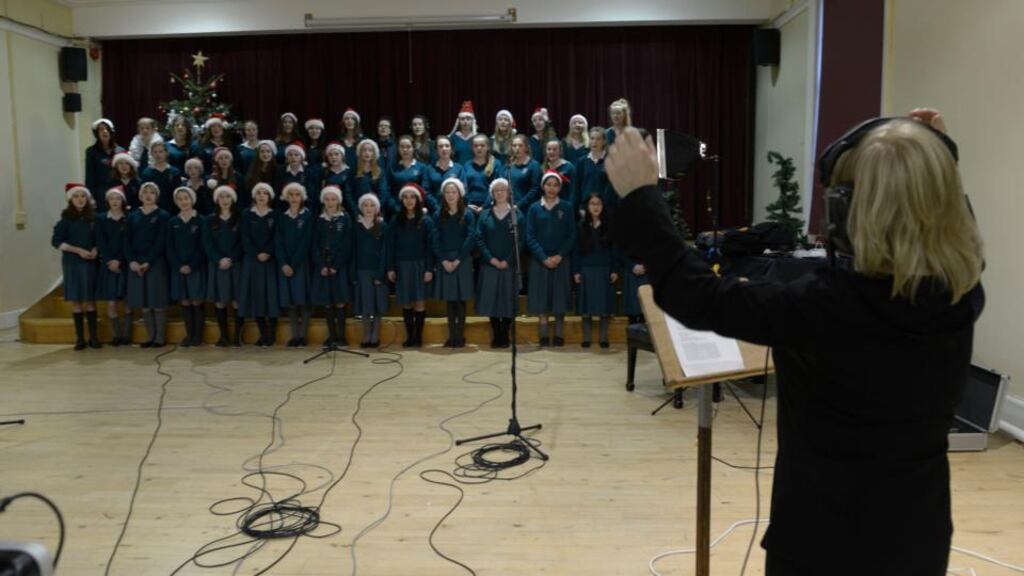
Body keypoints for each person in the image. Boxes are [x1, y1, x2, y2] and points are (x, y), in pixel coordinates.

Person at [606, 111, 985, 576]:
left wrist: (643, 196)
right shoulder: (962, 293)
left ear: (847, 212)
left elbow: (699, 294)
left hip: (820, 542)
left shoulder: (826, 307)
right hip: (917, 534)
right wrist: (936, 166)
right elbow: (957, 233)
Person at [526, 170, 576, 346]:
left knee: (559, 296)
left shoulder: (566, 207)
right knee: (541, 298)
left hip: (560, 260)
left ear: (559, 187)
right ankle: (544, 335)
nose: (552, 188)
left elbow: (571, 235)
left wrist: (560, 255)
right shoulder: (534, 208)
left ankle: (560, 334)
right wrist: (543, 257)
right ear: (543, 186)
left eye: (555, 185)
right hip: (540, 261)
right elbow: (529, 236)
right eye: (549, 184)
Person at [475, 178, 524, 348]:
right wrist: (492, 259)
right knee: (492, 301)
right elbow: (479, 239)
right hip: (490, 265)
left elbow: (521, 242)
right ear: (492, 194)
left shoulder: (517, 215)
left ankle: (505, 335)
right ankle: (497, 335)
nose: (500, 192)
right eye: (497, 190)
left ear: (509, 192)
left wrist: (508, 260)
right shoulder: (485, 214)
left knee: (508, 301)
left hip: (509, 266)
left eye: (503, 189)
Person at [52, 184, 101, 350]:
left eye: (82, 196)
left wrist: (96, 249)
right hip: (72, 264)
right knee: (77, 302)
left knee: (90, 301)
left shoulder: (94, 218)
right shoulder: (65, 220)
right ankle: (80, 338)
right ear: (71, 200)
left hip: (90, 263)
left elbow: (100, 238)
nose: (80, 199)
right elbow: (56, 242)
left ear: (87, 199)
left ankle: (94, 337)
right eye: (76, 196)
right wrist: (78, 250)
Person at [387, 184, 435, 348]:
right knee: (406, 302)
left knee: (419, 302)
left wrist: (429, 268)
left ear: (418, 199)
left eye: (412, 197)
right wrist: (391, 267)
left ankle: (418, 337)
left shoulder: (426, 220)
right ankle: (410, 337)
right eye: (405, 197)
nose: (409, 200)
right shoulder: (395, 220)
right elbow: (391, 245)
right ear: (402, 200)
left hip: (420, 265)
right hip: (402, 265)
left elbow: (430, 246)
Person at [124, 181, 170, 348]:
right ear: (140, 195)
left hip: (155, 263)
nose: (148, 195)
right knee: (144, 302)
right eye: (145, 192)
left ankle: (159, 338)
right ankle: (150, 337)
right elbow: (126, 241)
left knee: (157, 301)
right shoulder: (133, 216)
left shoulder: (163, 215)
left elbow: (161, 241)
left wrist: (148, 261)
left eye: (152, 192)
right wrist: (133, 261)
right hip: (136, 264)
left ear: (156, 196)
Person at [432, 178, 476, 348]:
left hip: (462, 259)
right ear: (443, 195)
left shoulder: (468, 214)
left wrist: (458, 259)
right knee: (450, 300)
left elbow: (470, 237)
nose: (450, 195)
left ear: (460, 194)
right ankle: (451, 336)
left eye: (454, 192)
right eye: (447, 192)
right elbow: (435, 239)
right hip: (445, 260)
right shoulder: (438, 214)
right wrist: (443, 259)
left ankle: (460, 336)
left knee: (461, 299)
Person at [311, 186, 353, 346]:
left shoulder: (345, 218)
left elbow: (347, 244)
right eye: (327, 199)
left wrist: (336, 265)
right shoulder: (319, 219)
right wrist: (321, 264)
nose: (330, 202)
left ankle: (341, 336)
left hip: (339, 267)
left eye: (333, 199)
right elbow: (314, 244)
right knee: (327, 301)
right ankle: (332, 335)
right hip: (323, 267)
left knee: (340, 300)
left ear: (338, 201)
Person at [240, 182, 280, 346]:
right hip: (253, 260)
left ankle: (271, 335)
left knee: (271, 297)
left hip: (270, 261)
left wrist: (267, 252)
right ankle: (263, 333)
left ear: (269, 196)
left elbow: (277, 236)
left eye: (265, 193)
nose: (262, 196)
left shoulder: (275, 214)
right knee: (257, 298)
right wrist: (256, 253)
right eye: (259, 193)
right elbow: (245, 237)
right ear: (254, 196)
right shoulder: (247, 214)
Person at [203, 185, 244, 346]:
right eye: (222, 197)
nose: (225, 200)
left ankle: (237, 337)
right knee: (220, 300)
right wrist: (218, 259)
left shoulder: (240, 218)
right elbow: (207, 243)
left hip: (235, 264)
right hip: (217, 264)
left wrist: (231, 258)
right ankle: (224, 336)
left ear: (232, 199)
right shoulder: (210, 219)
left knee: (236, 300)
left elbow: (243, 242)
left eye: (228, 197)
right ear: (217, 199)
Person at [167, 186, 207, 347]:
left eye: (186, 198)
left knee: (196, 301)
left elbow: (203, 246)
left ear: (192, 199)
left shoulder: (201, 220)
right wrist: (179, 265)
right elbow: (169, 247)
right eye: (180, 199)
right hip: (179, 268)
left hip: (195, 267)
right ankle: (189, 335)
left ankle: (198, 336)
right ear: (176, 202)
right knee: (184, 301)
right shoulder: (173, 222)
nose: (184, 201)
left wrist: (191, 264)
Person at [276, 182, 314, 347]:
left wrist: (294, 263)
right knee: (291, 301)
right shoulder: (282, 217)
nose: (293, 197)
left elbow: (307, 241)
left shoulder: (308, 216)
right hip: (286, 266)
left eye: (297, 194)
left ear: (302, 197)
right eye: (290, 194)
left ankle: (303, 335)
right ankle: (294, 335)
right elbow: (278, 241)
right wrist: (284, 263)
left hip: (302, 264)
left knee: (303, 299)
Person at [96, 186, 131, 345]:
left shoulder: (129, 218)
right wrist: (110, 260)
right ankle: (117, 335)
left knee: (128, 301)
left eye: (118, 199)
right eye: (112, 198)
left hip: (124, 264)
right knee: (111, 302)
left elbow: (128, 242)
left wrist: (120, 260)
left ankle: (127, 335)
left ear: (122, 201)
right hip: (108, 265)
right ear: (107, 201)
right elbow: (101, 241)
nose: (115, 201)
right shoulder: (101, 218)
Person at [353, 193, 388, 348]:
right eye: (365, 205)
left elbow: (386, 250)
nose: (368, 208)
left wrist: (382, 272)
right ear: (361, 207)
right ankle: (366, 334)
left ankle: (375, 334)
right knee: (366, 304)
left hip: (378, 269)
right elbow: (351, 250)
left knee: (378, 303)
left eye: (372, 205)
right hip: (362, 270)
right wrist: (353, 272)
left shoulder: (382, 225)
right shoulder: (356, 226)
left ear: (377, 208)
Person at [85, 119, 125, 207]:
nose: (104, 131)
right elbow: (90, 176)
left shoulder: (120, 151)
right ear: (97, 133)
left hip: (118, 192)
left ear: (111, 132)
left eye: (107, 129)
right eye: (101, 129)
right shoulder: (91, 152)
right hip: (100, 194)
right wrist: (90, 197)